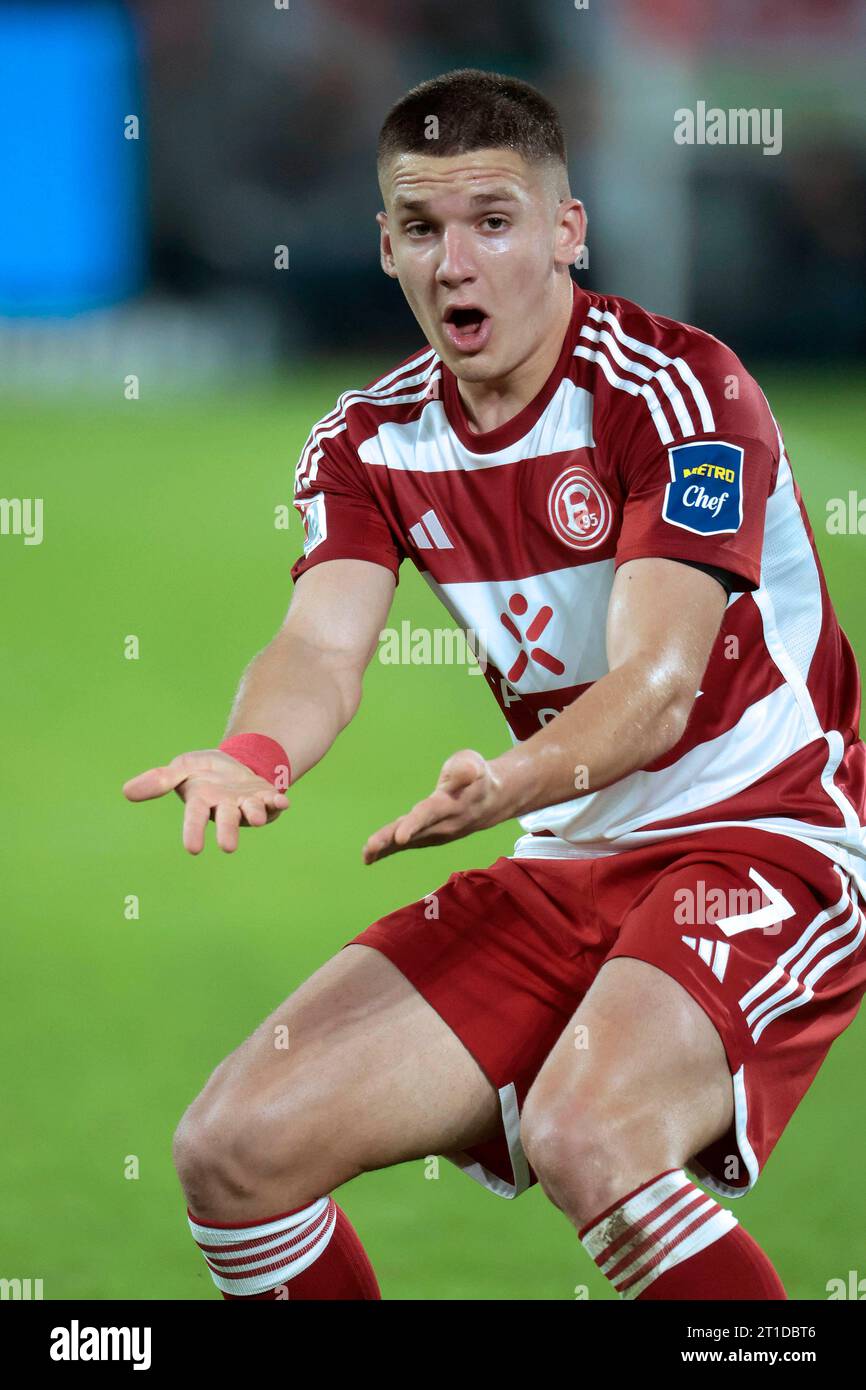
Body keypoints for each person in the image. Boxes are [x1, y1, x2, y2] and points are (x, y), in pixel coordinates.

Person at [124, 69, 866, 1301]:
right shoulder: (368, 440)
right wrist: (254, 751)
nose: (453, 263)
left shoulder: (680, 395)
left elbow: (663, 680)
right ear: (383, 245)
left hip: (764, 839)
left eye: (493, 220)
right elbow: (318, 647)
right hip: (567, 855)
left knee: (591, 1132)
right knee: (232, 1151)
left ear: (566, 231)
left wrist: (510, 777)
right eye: (421, 229)